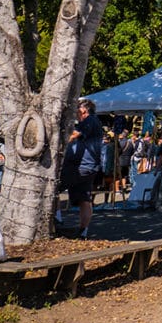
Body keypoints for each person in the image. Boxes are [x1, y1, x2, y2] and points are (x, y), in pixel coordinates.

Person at [60, 99, 103, 239]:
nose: (76, 114)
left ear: (84, 110)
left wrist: (59, 142)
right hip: (89, 167)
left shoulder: (89, 120)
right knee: (84, 198)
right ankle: (83, 231)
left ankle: (57, 218)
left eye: (77, 111)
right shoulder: (94, 122)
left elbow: (74, 135)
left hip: (79, 166)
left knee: (52, 187)